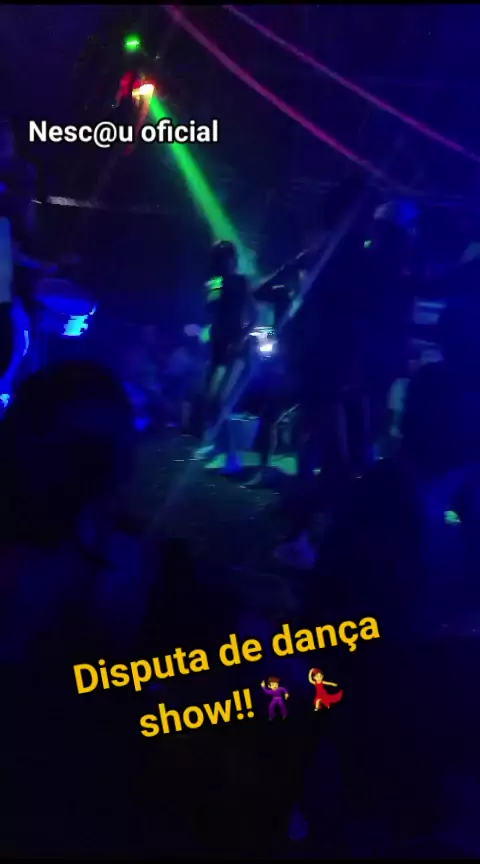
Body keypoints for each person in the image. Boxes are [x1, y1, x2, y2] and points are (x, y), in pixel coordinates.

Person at [197, 240, 257, 455]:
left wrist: (241, 338)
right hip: (218, 346)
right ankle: (218, 446)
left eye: (226, 257)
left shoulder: (242, 282)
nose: (223, 262)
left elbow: (254, 315)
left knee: (221, 398)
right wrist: (213, 291)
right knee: (210, 398)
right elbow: (210, 310)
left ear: (232, 259)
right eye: (219, 258)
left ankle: (230, 455)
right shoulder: (216, 282)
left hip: (235, 347)